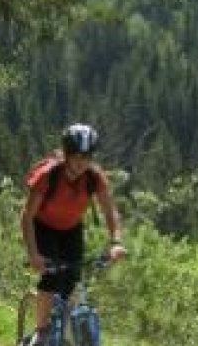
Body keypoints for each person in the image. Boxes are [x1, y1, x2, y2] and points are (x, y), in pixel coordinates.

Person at [20, 123, 126, 345]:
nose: (82, 163)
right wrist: (34, 255)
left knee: (72, 283)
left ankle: (67, 336)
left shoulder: (94, 178)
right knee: (51, 278)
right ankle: (42, 332)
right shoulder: (48, 176)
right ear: (67, 155)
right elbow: (27, 216)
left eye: (87, 157)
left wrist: (115, 241)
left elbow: (110, 212)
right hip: (43, 228)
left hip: (71, 230)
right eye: (77, 157)